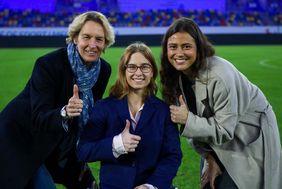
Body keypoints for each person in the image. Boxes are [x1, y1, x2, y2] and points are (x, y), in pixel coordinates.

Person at [160, 17, 282, 189]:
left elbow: (224, 128)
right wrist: (209, 156)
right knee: (210, 183)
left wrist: (187, 120)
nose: (179, 53)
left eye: (186, 46)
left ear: (199, 48)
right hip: (216, 137)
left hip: (248, 135)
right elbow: (200, 127)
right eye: (173, 47)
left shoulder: (220, 76)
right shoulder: (175, 76)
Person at [0, 11, 115, 189]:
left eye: (99, 39)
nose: (92, 44)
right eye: (86, 37)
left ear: (106, 43)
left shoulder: (103, 70)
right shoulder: (48, 65)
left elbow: (86, 118)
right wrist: (66, 112)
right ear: (75, 37)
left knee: (89, 185)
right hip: (22, 139)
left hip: (57, 140)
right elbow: (39, 116)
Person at [77, 42, 182, 189]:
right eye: (132, 67)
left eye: (145, 67)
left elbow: (172, 156)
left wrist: (150, 186)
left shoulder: (164, 111)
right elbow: (83, 151)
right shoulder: (104, 107)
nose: (138, 73)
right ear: (123, 71)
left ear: (152, 72)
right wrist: (117, 144)